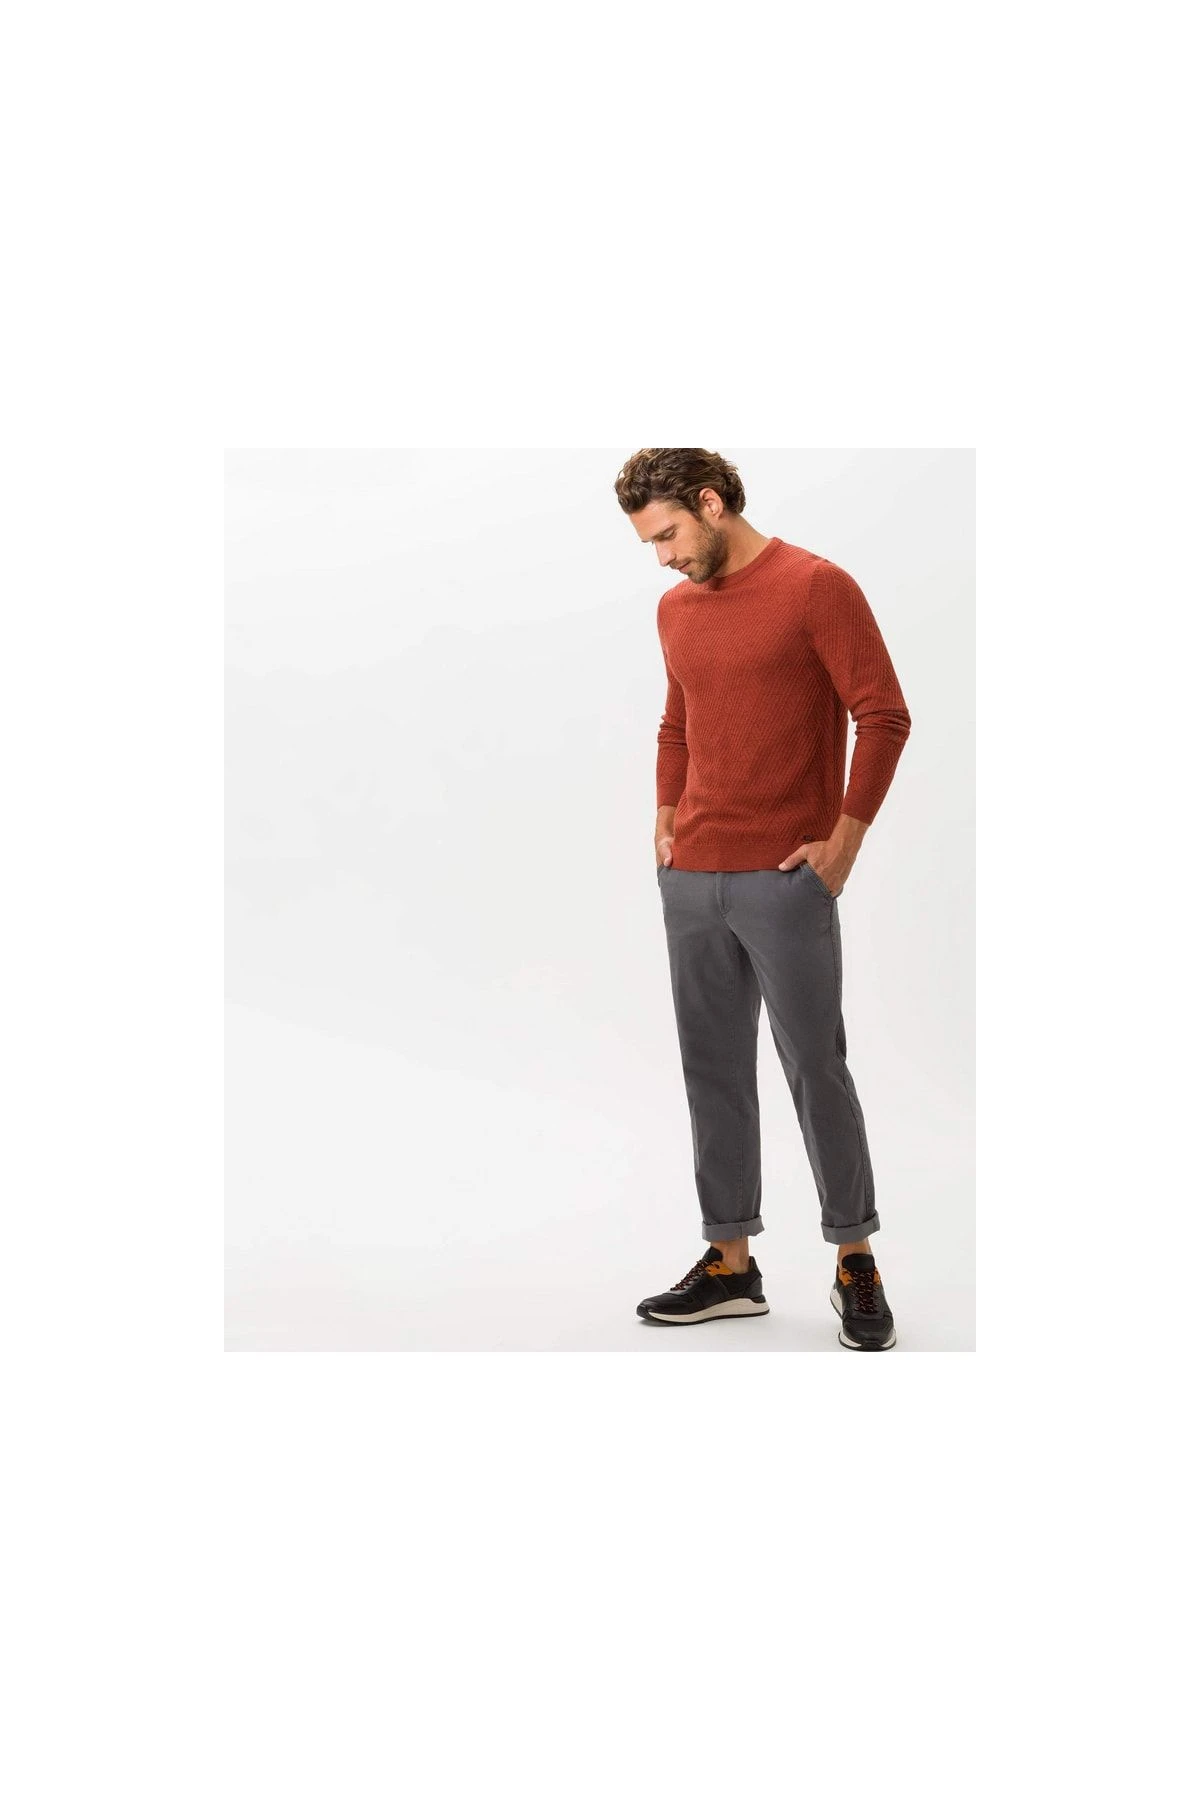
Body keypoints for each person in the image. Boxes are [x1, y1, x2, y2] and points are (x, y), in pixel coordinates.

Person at [613, 448, 912, 1350]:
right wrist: (666, 817)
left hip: (786, 877)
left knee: (816, 1067)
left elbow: (883, 714)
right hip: (691, 877)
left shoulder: (816, 587)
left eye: (669, 533)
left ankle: (854, 1258)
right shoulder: (675, 610)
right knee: (711, 1069)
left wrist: (843, 843)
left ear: (712, 504)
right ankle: (730, 1264)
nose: (663, 556)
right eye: (650, 542)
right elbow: (678, 721)